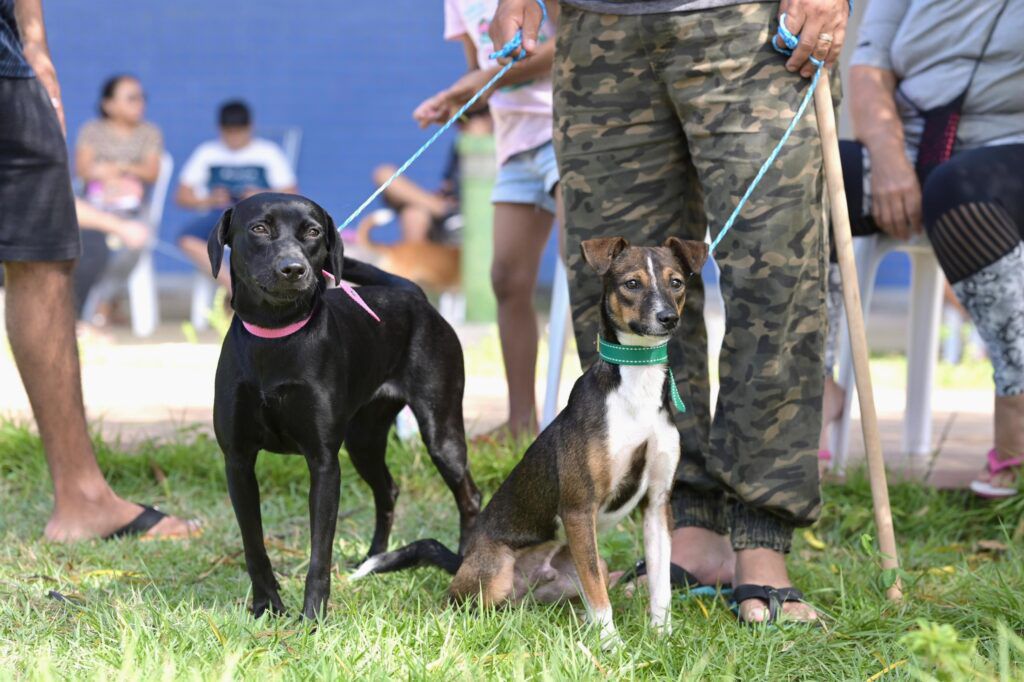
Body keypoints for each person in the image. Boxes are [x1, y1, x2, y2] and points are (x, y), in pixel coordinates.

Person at [491, 0, 848, 623]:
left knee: (774, 281)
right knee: (624, 286)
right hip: (599, 30)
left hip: (751, 28)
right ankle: (687, 525)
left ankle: (761, 540)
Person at [0, 0, 194, 540]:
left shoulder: (143, 135)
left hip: (7, 58)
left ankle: (84, 499)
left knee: (42, 251)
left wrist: (33, 42)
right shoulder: (95, 137)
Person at [820, 0, 1024, 496]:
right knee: (812, 177)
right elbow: (869, 70)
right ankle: (808, 392)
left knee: (956, 190)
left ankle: (1017, 408)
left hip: (1005, 150)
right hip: (909, 150)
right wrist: (888, 162)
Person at [414, 0, 562, 441]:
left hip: (567, 129)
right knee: (507, 279)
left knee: (585, 273)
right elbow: (479, 77)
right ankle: (521, 424)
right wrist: (455, 99)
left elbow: (575, 41)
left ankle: (602, 427)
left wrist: (477, 81)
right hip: (515, 145)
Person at [175, 100, 297, 290]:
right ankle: (236, 289)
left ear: (250, 128)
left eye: (238, 132)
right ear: (220, 129)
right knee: (188, 240)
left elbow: (292, 195)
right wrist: (209, 200)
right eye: (228, 133)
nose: (234, 138)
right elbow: (181, 196)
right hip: (221, 217)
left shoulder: (268, 153)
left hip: (261, 217)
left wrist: (260, 195)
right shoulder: (207, 153)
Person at [74, 74, 163, 324]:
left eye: (141, 97)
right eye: (131, 98)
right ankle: (81, 306)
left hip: (133, 208)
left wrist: (115, 169)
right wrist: (114, 178)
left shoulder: (149, 132)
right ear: (109, 104)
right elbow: (82, 170)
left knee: (136, 240)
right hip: (93, 204)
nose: (139, 103)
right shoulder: (92, 130)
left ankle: (103, 303)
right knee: (79, 241)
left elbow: (152, 172)